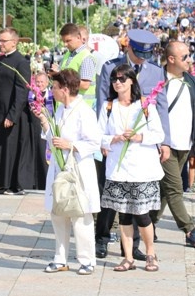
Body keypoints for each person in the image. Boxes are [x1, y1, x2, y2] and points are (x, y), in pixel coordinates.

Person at [95, 29, 170, 260]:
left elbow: (161, 108)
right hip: (114, 145)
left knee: (136, 203)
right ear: (129, 48)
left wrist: (164, 142)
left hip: (140, 149)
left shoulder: (155, 71)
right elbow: (102, 103)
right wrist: (104, 140)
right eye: (138, 53)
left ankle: (132, 247)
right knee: (110, 195)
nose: (142, 58)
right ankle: (102, 238)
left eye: (146, 54)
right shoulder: (111, 68)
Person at [33, 69, 101, 275]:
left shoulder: (84, 111)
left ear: (64, 89)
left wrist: (70, 144)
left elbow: (94, 142)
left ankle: (87, 259)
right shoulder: (61, 109)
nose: (51, 91)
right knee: (58, 213)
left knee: (80, 214)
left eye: (54, 87)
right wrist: (44, 120)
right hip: (59, 168)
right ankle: (60, 257)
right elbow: (53, 136)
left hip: (78, 168)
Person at [150, 41, 195, 247]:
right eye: (185, 56)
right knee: (175, 188)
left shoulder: (190, 80)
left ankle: (148, 224)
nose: (189, 60)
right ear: (171, 59)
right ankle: (189, 230)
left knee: (165, 190)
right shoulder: (158, 79)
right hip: (165, 144)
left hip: (185, 143)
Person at [0, 28, 40, 193]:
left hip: (11, 112)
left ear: (14, 42)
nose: (0, 44)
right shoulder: (1, 60)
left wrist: (12, 115)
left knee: (10, 148)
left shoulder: (21, 62)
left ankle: (12, 184)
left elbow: (22, 91)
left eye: (3, 41)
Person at [50, 24, 97, 108]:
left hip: (81, 108)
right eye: (63, 41)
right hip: (66, 106)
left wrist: (60, 75)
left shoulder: (86, 57)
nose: (65, 44)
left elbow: (85, 85)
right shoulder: (68, 54)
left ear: (78, 38)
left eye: (68, 41)